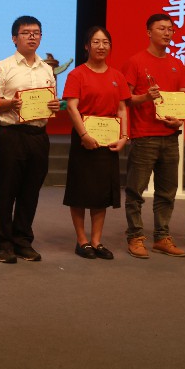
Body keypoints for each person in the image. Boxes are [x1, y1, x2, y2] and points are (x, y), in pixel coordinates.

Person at [121, 13, 185, 258]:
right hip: (144, 136)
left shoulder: (177, 64)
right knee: (135, 191)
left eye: (170, 29)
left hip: (171, 136)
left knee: (167, 191)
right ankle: (135, 237)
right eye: (161, 28)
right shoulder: (136, 62)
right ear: (148, 32)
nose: (167, 33)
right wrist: (145, 97)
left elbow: (183, 97)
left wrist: (180, 119)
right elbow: (125, 99)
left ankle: (162, 237)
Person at [0, 15, 59, 264]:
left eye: (36, 33)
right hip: (11, 134)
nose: (32, 37)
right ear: (14, 38)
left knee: (30, 191)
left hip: (38, 135)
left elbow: (51, 101)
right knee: (7, 191)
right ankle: (3, 243)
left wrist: (54, 105)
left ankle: (22, 241)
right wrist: (10, 103)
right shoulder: (3, 67)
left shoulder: (47, 69)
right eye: (26, 32)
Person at [62, 26, 130, 260]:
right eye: (96, 42)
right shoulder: (77, 74)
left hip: (108, 140)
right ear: (86, 46)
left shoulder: (117, 76)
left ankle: (97, 241)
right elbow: (72, 107)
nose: (101, 46)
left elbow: (122, 109)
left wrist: (124, 136)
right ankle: (82, 241)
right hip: (84, 140)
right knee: (80, 191)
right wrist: (84, 135)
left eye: (105, 42)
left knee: (101, 193)